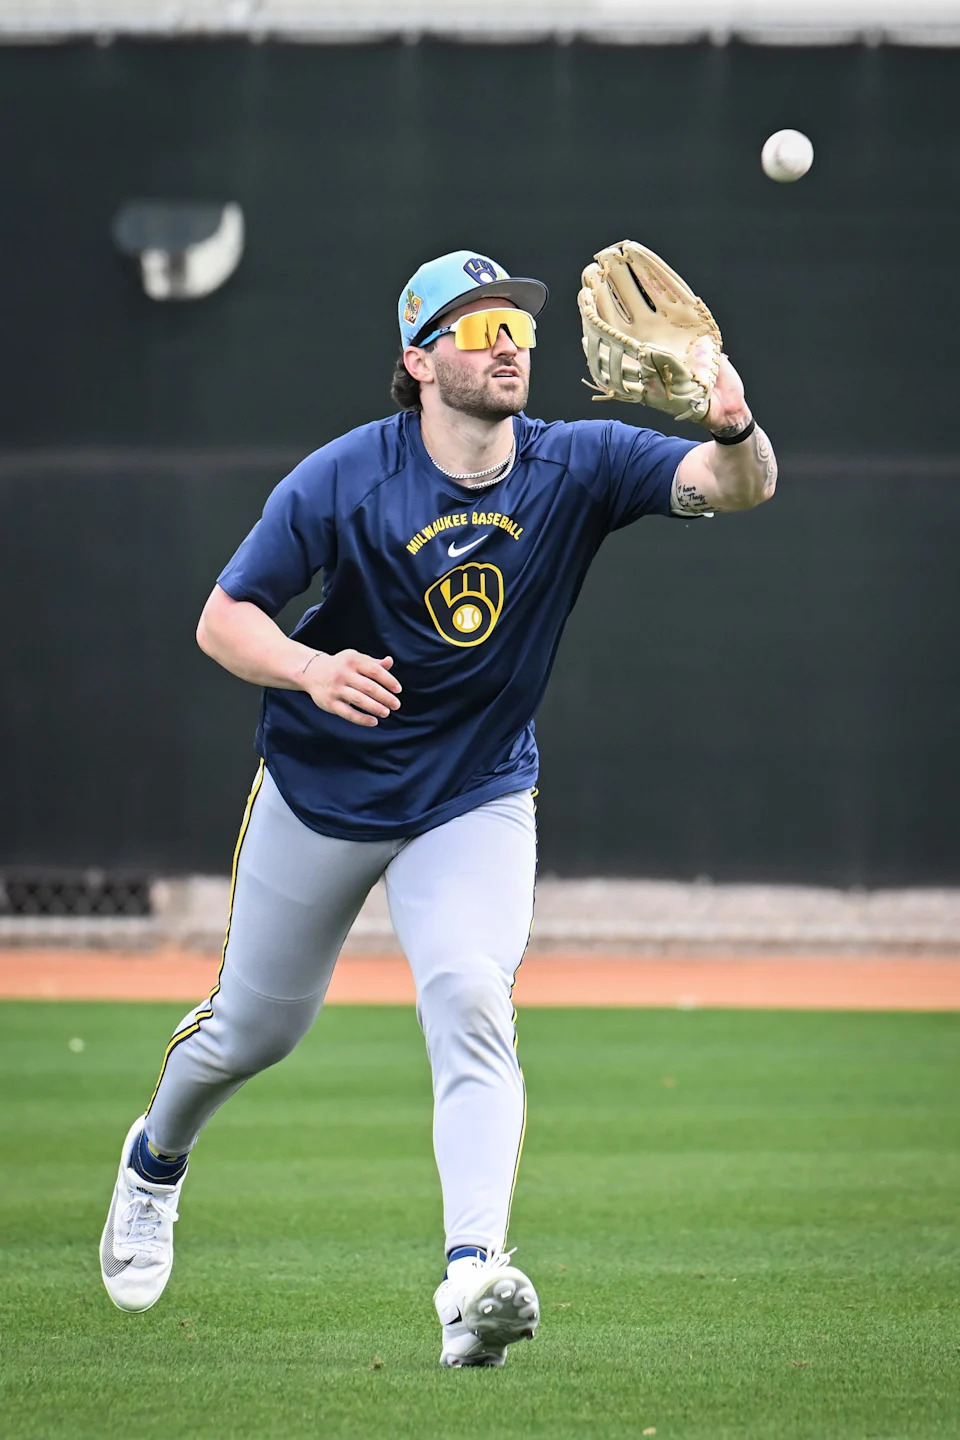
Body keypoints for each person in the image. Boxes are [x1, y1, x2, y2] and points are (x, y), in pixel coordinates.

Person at [99, 248, 777, 1367]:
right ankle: (155, 1161)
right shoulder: (347, 477)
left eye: (518, 324)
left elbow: (740, 485)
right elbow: (225, 619)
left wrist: (735, 422)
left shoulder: (576, 461)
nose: (506, 342)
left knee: (469, 995)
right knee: (255, 1031)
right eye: (475, 327)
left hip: (474, 791)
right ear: (419, 362)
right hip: (325, 789)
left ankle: (472, 1282)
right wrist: (310, 670)